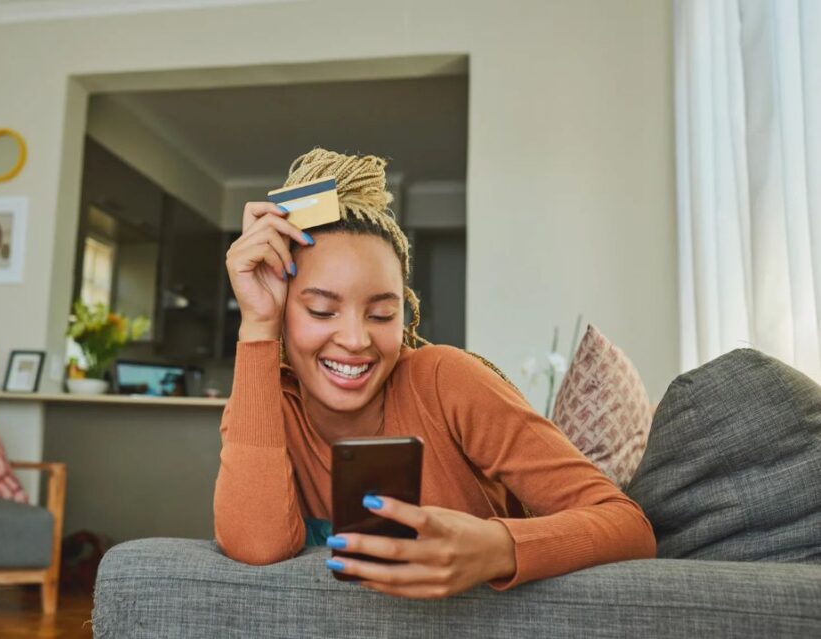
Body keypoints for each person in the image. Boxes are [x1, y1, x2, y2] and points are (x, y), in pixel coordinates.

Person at [214, 148, 656, 598]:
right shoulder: (264, 409)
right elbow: (256, 548)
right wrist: (257, 325)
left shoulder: (448, 382)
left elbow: (629, 525)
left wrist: (497, 547)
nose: (355, 339)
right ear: (286, 310)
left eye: (382, 315)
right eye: (322, 310)